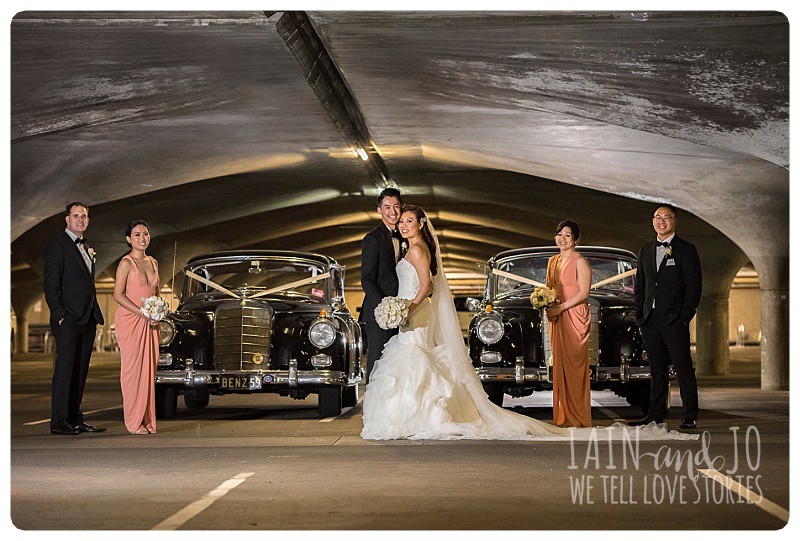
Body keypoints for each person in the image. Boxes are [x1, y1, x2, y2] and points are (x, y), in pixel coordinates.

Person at [361, 206, 696, 441]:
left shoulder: (416, 250)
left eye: (408, 219)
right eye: (401, 220)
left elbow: (425, 286)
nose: (403, 224)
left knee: (673, 367)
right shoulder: (411, 247)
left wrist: (406, 305)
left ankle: (674, 411)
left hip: (577, 317)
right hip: (546, 317)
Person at [631, 204, 702, 429]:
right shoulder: (645, 249)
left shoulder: (686, 250)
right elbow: (640, 285)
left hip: (674, 320)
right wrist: (639, 314)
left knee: (682, 368)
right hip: (650, 319)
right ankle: (655, 414)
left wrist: (683, 317)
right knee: (657, 370)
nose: (661, 221)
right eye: (657, 217)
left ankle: (689, 414)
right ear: (653, 221)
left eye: (667, 218)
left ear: (674, 222)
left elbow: (694, 288)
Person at [43, 202, 106, 435]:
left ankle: (75, 418)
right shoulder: (57, 246)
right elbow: (50, 284)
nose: (81, 219)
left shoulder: (86, 246)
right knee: (65, 370)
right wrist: (59, 314)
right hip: (68, 319)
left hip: (88, 317)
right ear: (67, 220)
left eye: (84, 216)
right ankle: (59, 421)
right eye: (76, 216)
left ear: (88, 221)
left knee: (80, 371)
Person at [113, 220, 160, 434]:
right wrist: (141, 312)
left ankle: (147, 419)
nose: (142, 238)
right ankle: (134, 421)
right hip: (131, 321)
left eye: (146, 234)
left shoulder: (153, 262)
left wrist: (158, 313)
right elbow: (118, 294)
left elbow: (156, 293)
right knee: (133, 372)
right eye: (137, 234)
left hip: (151, 323)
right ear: (128, 239)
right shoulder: (126, 263)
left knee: (149, 370)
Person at [545, 220, 592, 428]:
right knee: (560, 367)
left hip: (574, 314)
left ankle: (578, 416)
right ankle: (563, 416)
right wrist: (545, 303)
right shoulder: (552, 261)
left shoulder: (580, 261)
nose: (562, 239)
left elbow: (584, 293)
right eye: (559, 234)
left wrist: (561, 307)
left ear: (576, 240)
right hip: (557, 315)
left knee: (575, 368)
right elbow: (549, 289)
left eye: (567, 235)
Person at [360, 187, 403, 383]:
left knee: (398, 364)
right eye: (387, 207)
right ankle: (372, 410)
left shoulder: (406, 237)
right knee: (377, 364)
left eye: (396, 206)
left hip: (403, 310)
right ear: (379, 210)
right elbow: (367, 279)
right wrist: (385, 307)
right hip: (379, 313)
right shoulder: (372, 239)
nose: (392, 211)